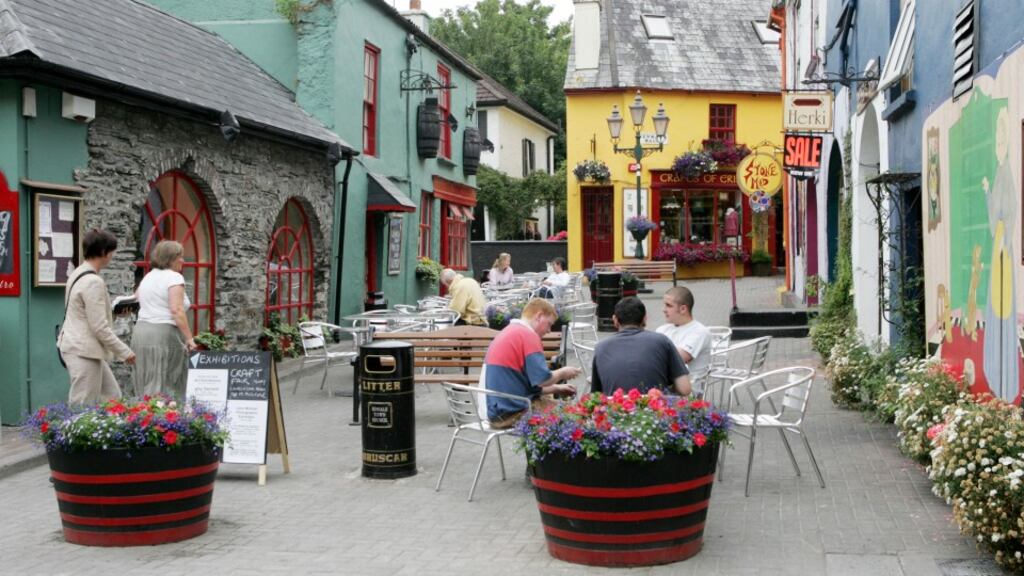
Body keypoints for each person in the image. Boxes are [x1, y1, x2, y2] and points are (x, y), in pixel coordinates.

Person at [59, 229, 136, 404]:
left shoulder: (78, 273)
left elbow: (84, 314)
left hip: (80, 346)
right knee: (82, 404)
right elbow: (99, 327)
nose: (113, 255)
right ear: (103, 252)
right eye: (112, 251)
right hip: (83, 350)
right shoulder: (93, 281)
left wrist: (114, 314)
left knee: (112, 396)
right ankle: (72, 432)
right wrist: (125, 352)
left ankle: (107, 431)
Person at [484, 298, 581, 428]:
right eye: (549, 324)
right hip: (514, 413)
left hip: (497, 412)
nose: (549, 331)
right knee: (577, 415)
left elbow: (523, 385)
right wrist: (563, 372)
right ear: (539, 316)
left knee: (563, 408)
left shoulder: (509, 331)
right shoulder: (528, 335)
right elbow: (542, 380)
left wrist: (557, 388)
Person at [132, 240, 197, 400]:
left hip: (141, 332)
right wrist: (189, 338)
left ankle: (143, 418)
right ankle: (164, 421)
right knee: (168, 382)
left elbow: (136, 299)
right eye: (179, 257)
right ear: (170, 259)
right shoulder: (174, 278)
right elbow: (177, 310)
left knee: (146, 380)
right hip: (163, 333)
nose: (183, 260)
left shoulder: (148, 276)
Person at [591, 297, 690, 396]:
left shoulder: (601, 347)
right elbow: (685, 389)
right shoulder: (662, 341)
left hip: (616, 409)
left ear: (615, 320)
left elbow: (596, 395)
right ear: (645, 318)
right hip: (654, 409)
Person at [656, 286, 712, 391]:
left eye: (668, 305)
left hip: (687, 392)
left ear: (683, 309)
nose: (663, 310)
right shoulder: (662, 329)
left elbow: (678, 359)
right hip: (663, 385)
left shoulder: (699, 332)